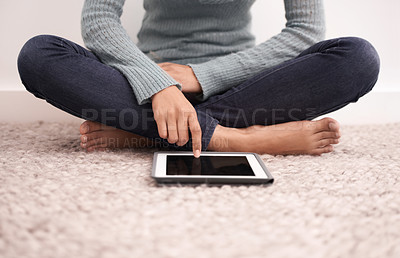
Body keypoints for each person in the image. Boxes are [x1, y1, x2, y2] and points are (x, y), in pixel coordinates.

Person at [17, 0, 380, 157]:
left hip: (243, 87)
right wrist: (157, 84)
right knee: (40, 54)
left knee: (358, 58)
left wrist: (200, 76)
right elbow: (99, 19)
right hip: (144, 83)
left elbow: (304, 31)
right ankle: (232, 139)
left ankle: (144, 131)